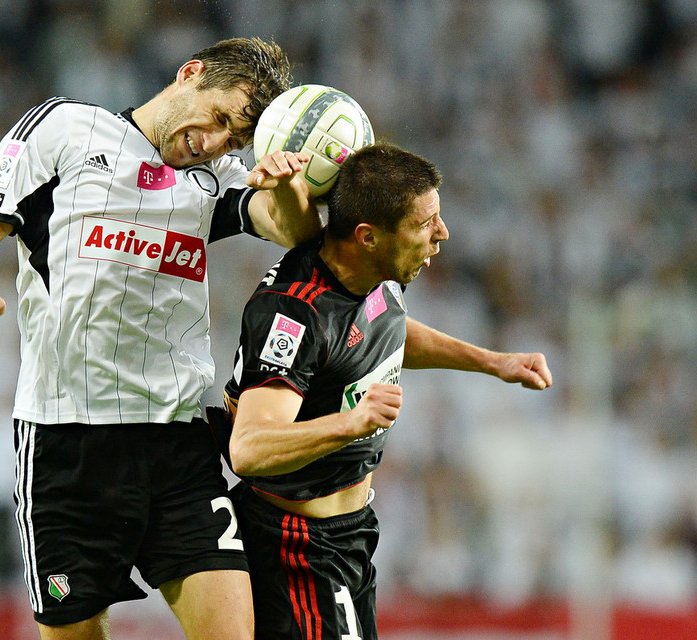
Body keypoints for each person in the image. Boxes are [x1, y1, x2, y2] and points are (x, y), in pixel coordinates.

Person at [0, 38, 322, 640]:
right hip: (66, 441)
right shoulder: (65, 128)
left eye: (236, 138)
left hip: (176, 442)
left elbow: (294, 233)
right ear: (190, 73)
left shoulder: (215, 177)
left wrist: (286, 185)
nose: (218, 141)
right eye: (220, 118)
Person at [214, 141, 553, 640]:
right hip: (297, 548)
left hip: (348, 535)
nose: (442, 235)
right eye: (424, 224)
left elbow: (388, 331)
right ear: (368, 236)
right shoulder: (294, 314)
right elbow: (248, 448)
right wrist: (352, 423)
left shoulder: (377, 272)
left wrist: (493, 362)